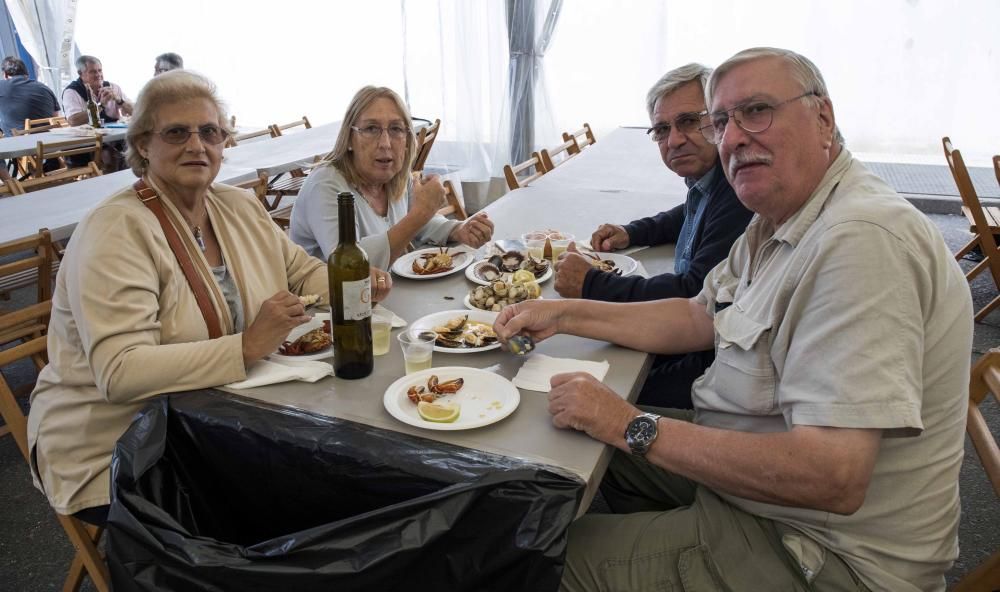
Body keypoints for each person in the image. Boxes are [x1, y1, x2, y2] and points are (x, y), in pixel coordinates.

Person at [496, 47, 972, 592]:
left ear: (824, 118)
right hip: (760, 494)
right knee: (556, 444)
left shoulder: (860, 241)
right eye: (721, 121)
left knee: (532, 562)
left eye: (757, 111)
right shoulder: (781, 217)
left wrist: (628, 424)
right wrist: (562, 314)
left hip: (821, 553)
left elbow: (832, 476)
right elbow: (696, 316)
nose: (734, 137)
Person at [27, 70, 341, 527]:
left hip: (220, 421)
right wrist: (247, 346)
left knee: (322, 482)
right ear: (142, 145)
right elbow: (120, 371)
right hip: (117, 447)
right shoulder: (116, 230)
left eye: (209, 132)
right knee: (290, 504)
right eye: (177, 132)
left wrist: (353, 283)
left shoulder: (236, 205)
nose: (197, 146)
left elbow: (303, 272)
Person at [553, 63, 752, 408]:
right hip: (703, 346)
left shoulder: (739, 192)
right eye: (661, 129)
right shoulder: (712, 181)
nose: (674, 140)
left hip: (713, 367)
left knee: (579, 383)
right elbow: (687, 214)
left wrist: (591, 284)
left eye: (689, 121)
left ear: (719, 121)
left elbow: (692, 292)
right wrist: (631, 232)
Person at [289, 86, 494, 269]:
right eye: (371, 129)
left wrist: (458, 230)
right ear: (349, 138)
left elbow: (421, 225)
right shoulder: (325, 185)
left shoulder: (393, 177)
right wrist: (421, 213)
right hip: (330, 306)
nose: (385, 143)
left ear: (406, 139)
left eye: (396, 129)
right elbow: (350, 266)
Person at [62, 55, 133, 126]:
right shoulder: (71, 92)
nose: (98, 75)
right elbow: (73, 121)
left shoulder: (113, 87)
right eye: (92, 72)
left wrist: (120, 100)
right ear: (80, 73)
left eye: (100, 70)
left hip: (116, 135)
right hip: (88, 135)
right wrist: (101, 106)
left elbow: (136, 112)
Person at [0, 56, 61, 136]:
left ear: (5, 75)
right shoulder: (45, 88)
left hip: (20, 143)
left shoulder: (2, 86)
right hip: (50, 142)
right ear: (27, 74)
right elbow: (55, 117)